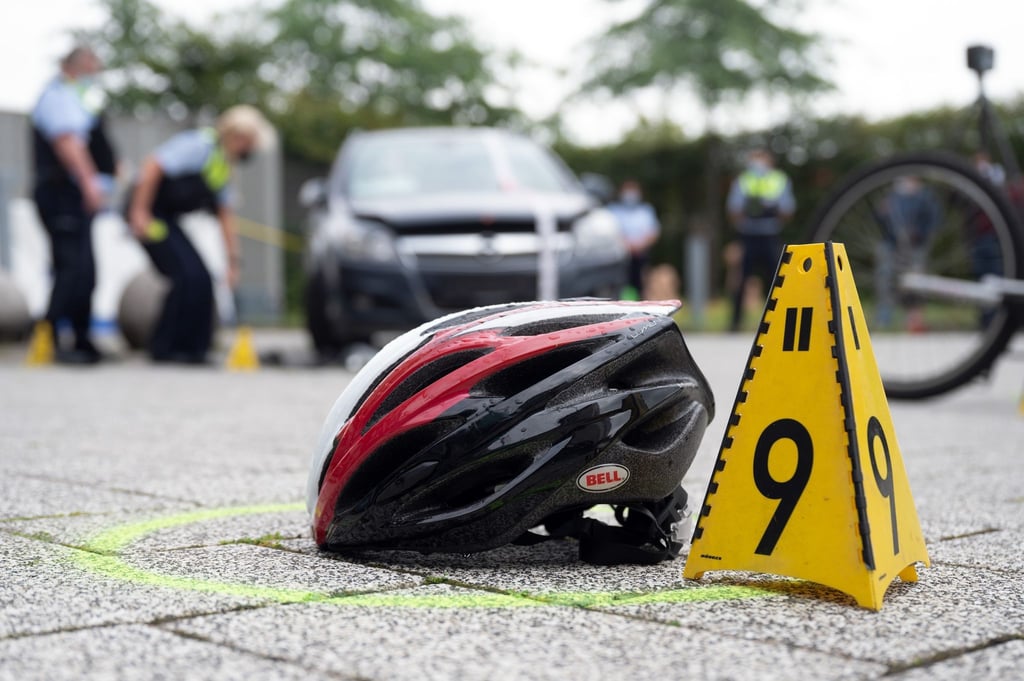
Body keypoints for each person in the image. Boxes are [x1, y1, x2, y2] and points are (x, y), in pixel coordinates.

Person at [125, 105, 274, 364]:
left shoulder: (222, 165)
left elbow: (225, 215)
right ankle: (165, 348)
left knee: (201, 278)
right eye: (250, 144)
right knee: (185, 275)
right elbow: (153, 166)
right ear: (238, 136)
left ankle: (196, 350)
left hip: (168, 219)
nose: (250, 151)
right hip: (150, 215)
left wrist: (233, 262)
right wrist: (139, 211)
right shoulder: (199, 145)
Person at [30, 45, 118, 363]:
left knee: (85, 272)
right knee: (71, 269)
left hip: (74, 195)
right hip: (61, 194)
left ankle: (82, 341)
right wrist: (89, 183)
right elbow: (67, 143)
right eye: (91, 70)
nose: (94, 76)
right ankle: (49, 340)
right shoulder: (58, 97)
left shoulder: (76, 98)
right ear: (74, 67)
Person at [725, 148, 795, 332]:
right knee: (740, 280)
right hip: (747, 236)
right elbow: (733, 210)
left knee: (777, 281)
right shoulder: (743, 180)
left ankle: (779, 322)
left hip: (771, 235)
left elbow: (788, 210)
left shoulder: (779, 180)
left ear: (770, 161)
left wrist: (768, 209)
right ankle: (735, 323)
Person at [876, 175, 941, 331]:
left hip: (916, 245)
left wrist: (921, 234)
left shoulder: (925, 197)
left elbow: (933, 218)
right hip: (891, 244)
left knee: (916, 283)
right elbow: (880, 219)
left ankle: (913, 321)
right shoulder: (892, 196)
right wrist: (882, 213)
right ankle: (884, 319)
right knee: (886, 280)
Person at [607, 180, 660, 300]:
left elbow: (653, 233)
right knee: (620, 288)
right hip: (619, 258)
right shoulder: (613, 210)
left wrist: (639, 246)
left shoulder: (646, 210)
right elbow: (610, 233)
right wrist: (626, 245)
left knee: (641, 287)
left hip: (641, 257)